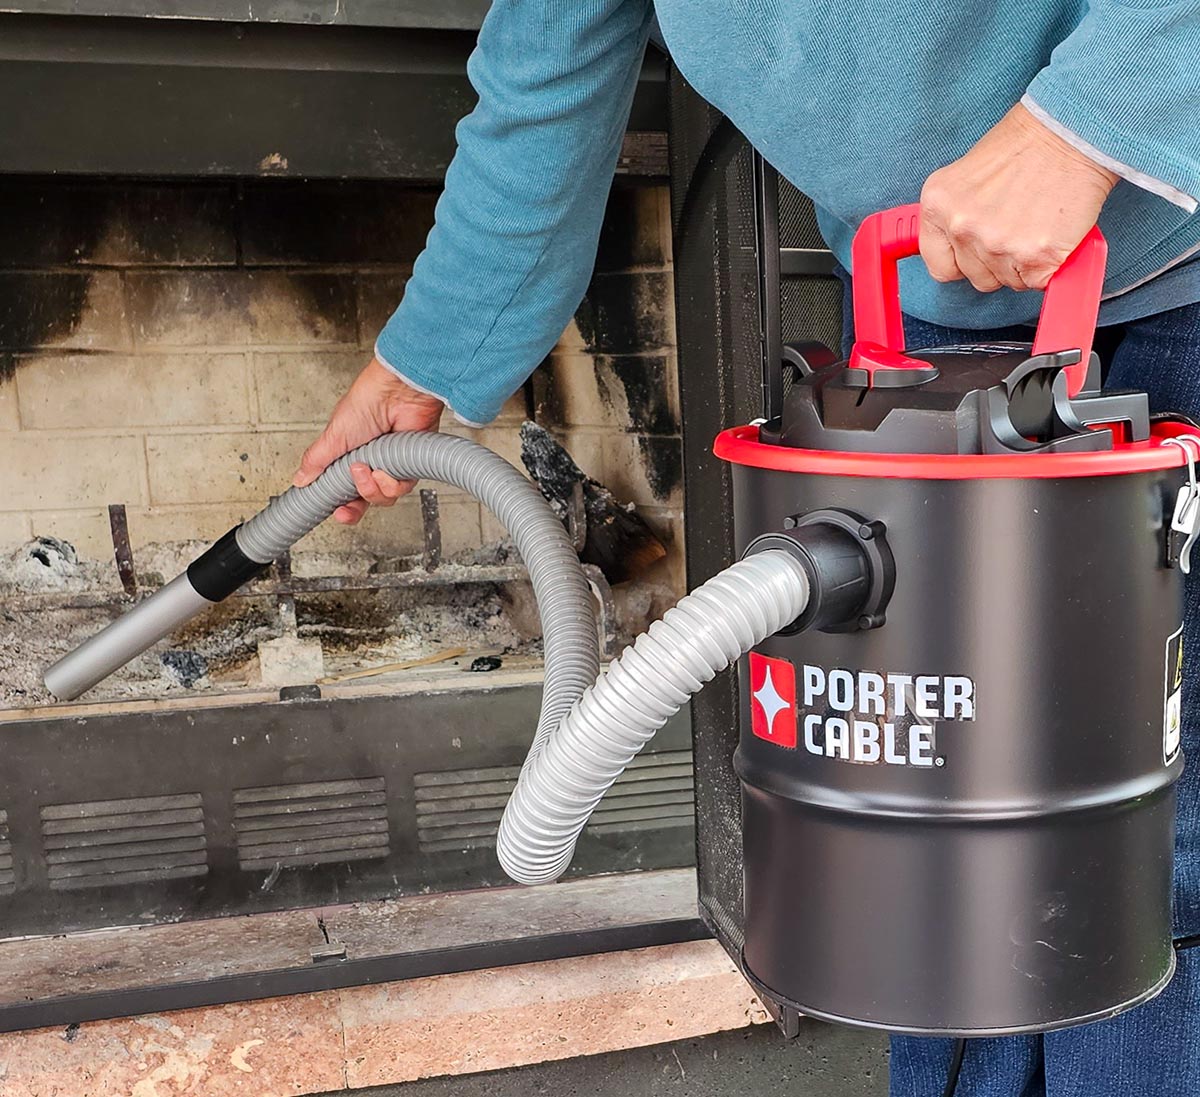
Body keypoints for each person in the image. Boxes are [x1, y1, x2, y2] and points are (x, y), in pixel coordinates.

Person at [293, 4, 1200, 1093]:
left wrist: (1090, 126)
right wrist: (425, 362)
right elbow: (546, 81)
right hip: (929, 329)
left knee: (1153, 841)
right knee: (939, 818)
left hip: (1173, 260)